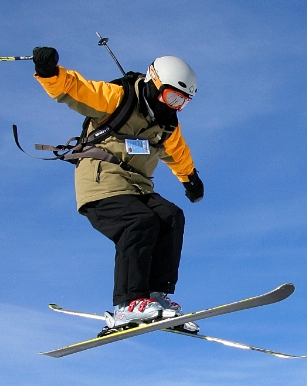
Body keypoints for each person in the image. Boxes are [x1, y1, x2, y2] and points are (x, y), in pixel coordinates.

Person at [32, 47, 204, 331]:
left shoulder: (166, 125)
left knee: (171, 216)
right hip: (100, 181)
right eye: (172, 97)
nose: (174, 107)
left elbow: (178, 153)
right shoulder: (118, 99)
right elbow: (76, 89)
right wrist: (49, 72)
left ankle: (154, 296)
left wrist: (190, 179)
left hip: (136, 186)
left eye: (182, 102)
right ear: (154, 83)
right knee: (140, 222)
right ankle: (128, 303)